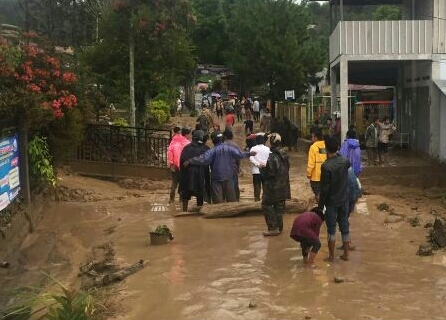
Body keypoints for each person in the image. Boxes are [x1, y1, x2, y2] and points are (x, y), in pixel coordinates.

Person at [184, 132, 252, 204]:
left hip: (216, 179)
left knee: (217, 203)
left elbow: (203, 159)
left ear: (213, 141)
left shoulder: (212, 151)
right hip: (229, 177)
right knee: (232, 202)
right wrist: (249, 153)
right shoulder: (229, 149)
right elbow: (241, 154)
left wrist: (190, 161)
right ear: (222, 139)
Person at [318, 135, 351, 262]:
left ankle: (331, 256)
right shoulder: (345, 161)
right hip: (344, 200)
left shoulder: (326, 166)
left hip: (331, 202)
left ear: (326, 149)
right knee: (344, 227)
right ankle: (346, 255)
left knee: (331, 229)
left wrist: (320, 207)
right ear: (337, 148)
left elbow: (324, 189)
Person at [260, 133, 291, 236]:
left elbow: (270, 173)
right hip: (284, 186)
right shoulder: (285, 155)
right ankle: (279, 227)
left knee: (266, 205)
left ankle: (273, 227)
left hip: (273, 188)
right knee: (279, 207)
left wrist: (262, 169)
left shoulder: (272, 157)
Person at [179, 130, 211, 212]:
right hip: (200, 177)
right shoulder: (206, 148)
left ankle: (184, 212)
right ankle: (199, 212)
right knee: (200, 195)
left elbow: (182, 162)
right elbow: (208, 162)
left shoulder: (186, 148)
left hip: (187, 177)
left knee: (185, 195)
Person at [167, 126, 191, 203]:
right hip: (183, 166)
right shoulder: (187, 143)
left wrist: (171, 163)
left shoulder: (173, 141)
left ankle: (171, 199)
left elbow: (169, 153)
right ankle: (181, 199)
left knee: (174, 183)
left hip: (174, 165)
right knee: (182, 183)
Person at [306, 128, 327, 203]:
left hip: (316, 175)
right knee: (325, 192)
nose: (311, 138)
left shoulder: (313, 147)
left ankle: (320, 208)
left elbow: (311, 163)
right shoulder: (326, 145)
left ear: (316, 137)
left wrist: (309, 173)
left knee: (318, 192)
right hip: (326, 173)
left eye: (312, 137)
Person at [249, 133, 270, 201]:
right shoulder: (267, 149)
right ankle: (265, 199)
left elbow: (251, 158)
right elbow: (270, 158)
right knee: (265, 186)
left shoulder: (253, 148)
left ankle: (257, 199)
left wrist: (258, 164)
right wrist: (264, 164)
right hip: (265, 170)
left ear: (256, 141)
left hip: (256, 171)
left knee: (257, 186)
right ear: (263, 141)